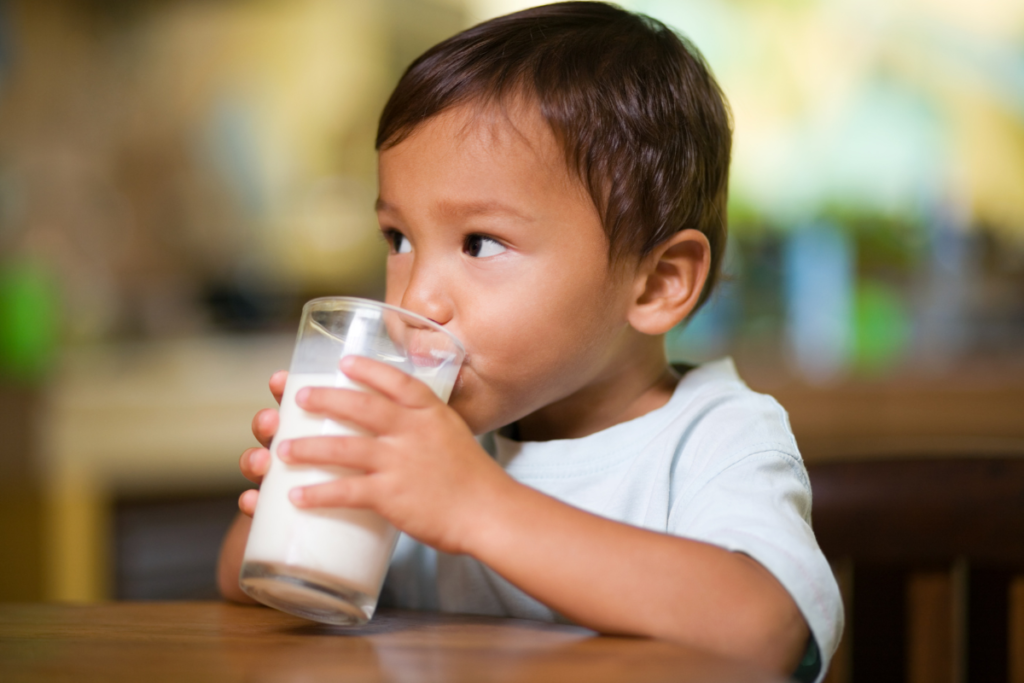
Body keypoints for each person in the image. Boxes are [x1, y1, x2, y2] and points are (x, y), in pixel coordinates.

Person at [217, 3, 843, 680]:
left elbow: (764, 629)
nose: (416, 297)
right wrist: (304, 489)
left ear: (657, 283)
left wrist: (474, 503)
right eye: (398, 239)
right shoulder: (433, 440)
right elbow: (243, 583)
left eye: (480, 243)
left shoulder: (712, 437)